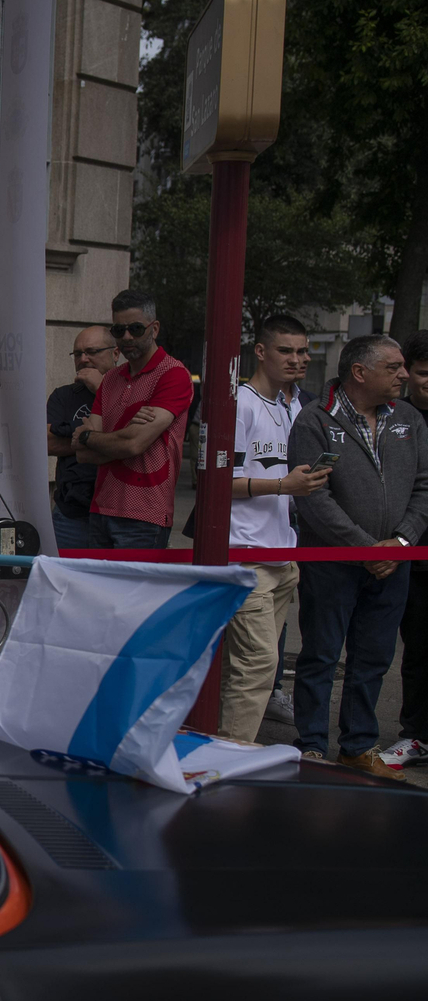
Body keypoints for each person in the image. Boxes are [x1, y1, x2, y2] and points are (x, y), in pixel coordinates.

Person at [288, 334, 428, 778]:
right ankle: (311, 747)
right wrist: (366, 547)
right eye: (394, 367)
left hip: (393, 563)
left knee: (373, 659)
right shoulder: (315, 420)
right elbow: (314, 499)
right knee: (321, 655)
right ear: (360, 372)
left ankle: (358, 746)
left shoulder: (408, 419)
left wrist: (400, 543)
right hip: (333, 563)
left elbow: (425, 486)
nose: (403, 375)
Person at [216, 315, 330, 742]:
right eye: (286, 350)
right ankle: (230, 755)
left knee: (245, 666)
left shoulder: (297, 405)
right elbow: (217, 482)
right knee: (258, 664)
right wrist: (285, 485)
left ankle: (223, 747)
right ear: (261, 352)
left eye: (303, 351)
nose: (297, 359)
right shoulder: (239, 403)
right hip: (245, 554)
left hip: (283, 555)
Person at [72, 289, 193, 549]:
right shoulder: (110, 379)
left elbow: (132, 444)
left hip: (145, 515)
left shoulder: (173, 374)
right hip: (101, 508)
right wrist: (121, 437)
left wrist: (90, 436)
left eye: (136, 329)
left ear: (154, 329)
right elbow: (83, 453)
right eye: (119, 330)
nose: (126, 337)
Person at [384, 329, 428, 770]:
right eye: (424, 373)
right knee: (417, 649)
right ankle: (417, 735)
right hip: (409, 550)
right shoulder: (395, 417)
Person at [45, 325, 120, 550]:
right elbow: (47, 442)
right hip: (72, 512)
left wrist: (102, 389)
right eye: (77, 354)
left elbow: (134, 438)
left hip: (119, 512)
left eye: (92, 352)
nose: (83, 359)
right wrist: (103, 438)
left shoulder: (129, 391)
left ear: (116, 353)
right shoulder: (64, 395)